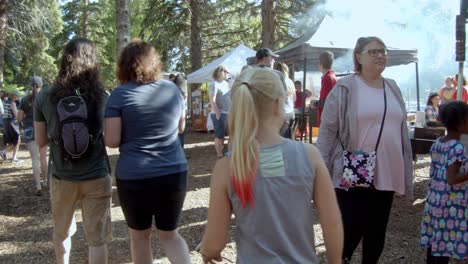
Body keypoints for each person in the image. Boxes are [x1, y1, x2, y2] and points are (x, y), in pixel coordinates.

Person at [198, 67, 343, 263]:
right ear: (277, 105)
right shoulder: (310, 155)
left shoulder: (227, 166)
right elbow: (332, 224)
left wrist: (208, 251)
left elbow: (214, 242)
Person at [316, 36, 414, 263]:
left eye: (383, 51)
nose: (381, 55)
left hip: (388, 170)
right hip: (355, 170)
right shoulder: (345, 88)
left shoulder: (392, 86)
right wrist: (319, 173)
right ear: (358, 57)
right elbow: (327, 133)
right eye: (374, 52)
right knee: (350, 231)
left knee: (377, 234)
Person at [104, 40, 189, 264]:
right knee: (170, 234)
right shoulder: (172, 89)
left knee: (140, 237)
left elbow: (111, 140)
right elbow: (180, 127)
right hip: (173, 171)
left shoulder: (119, 95)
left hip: (135, 175)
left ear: (123, 66)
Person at [34, 38, 112, 264]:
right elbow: (111, 138)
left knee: (62, 233)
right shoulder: (102, 96)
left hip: (62, 177)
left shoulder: (45, 95)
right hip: (96, 174)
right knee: (97, 240)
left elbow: (40, 141)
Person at [420, 101, 468, 264]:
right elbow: (452, 179)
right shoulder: (458, 148)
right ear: (460, 122)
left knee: (435, 243)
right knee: (444, 245)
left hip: (435, 201)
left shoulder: (439, 142)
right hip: (449, 205)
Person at [18, 76, 48, 195]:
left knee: (34, 159)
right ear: (41, 85)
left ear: (31, 85)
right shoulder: (45, 98)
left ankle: (38, 186)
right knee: (43, 157)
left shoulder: (24, 100)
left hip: (29, 129)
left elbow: (19, 118)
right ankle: (45, 181)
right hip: (43, 129)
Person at [208, 65, 230, 158]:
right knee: (219, 135)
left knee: (224, 136)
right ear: (221, 72)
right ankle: (219, 155)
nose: (227, 74)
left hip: (227, 112)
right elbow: (212, 99)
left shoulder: (226, 83)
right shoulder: (214, 84)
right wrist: (217, 112)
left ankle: (222, 151)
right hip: (219, 113)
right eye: (226, 72)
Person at [274, 62, 296, 139]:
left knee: (280, 138)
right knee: (289, 138)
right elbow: (294, 98)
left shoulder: (276, 81)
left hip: (282, 114)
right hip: (291, 114)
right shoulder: (290, 81)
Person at [0, 89, 22, 162]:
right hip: (12, 123)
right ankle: (9, 155)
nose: (18, 97)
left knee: (11, 140)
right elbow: (16, 115)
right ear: (14, 96)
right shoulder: (12, 103)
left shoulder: (6, 102)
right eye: (17, 96)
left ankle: (6, 154)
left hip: (6, 123)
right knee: (17, 139)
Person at [316, 51, 337, 126]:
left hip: (327, 121)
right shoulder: (332, 77)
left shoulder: (328, 78)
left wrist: (314, 103)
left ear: (320, 64)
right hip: (330, 119)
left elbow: (326, 102)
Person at [173, 73, 187, 148]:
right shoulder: (181, 90)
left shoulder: (173, 88)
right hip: (180, 112)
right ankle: (181, 149)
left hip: (174, 113)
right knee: (181, 133)